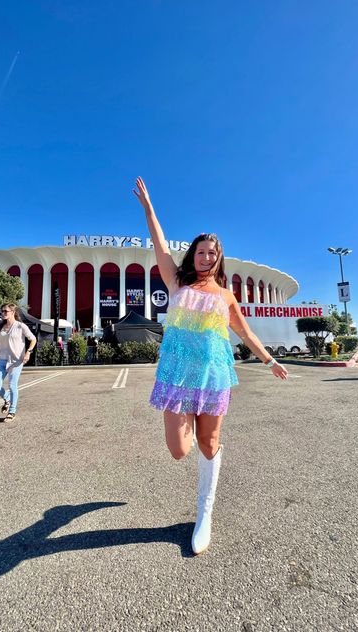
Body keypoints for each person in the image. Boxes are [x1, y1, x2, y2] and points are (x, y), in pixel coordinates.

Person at [133, 177, 288, 555]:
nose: (206, 257)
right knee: (178, 450)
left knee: (208, 442)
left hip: (214, 375)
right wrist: (150, 209)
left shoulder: (225, 295)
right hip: (176, 375)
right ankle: (206, 475)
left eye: (212, 253)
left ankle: (205, 512)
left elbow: (246, 333)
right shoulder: (177, 282)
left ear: (219, 258)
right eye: (201, 252)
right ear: (193, 255)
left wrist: (270, 361)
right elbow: (157, 244)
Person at [0, 303, 36, 422]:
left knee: (12, 385)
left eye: (6, 311)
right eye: (2, 311)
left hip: (16, 360)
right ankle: (7, 398)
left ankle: (12, 411)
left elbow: (33, 339)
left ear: (13, 312)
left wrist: (28, 352)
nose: (3, 313)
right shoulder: (0, 327)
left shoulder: (21, 326)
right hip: (1, 359)